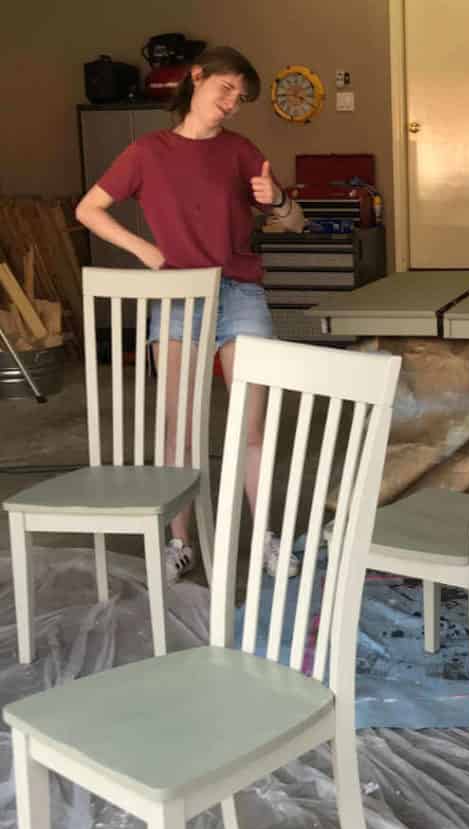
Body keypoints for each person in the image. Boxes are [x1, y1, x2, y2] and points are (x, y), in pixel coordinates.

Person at [76, 46, 305, 581]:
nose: (231, 104)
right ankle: (178, 542)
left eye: (240, 98)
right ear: (197, 77)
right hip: (178, 297)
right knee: (177, 430)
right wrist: (147, 253)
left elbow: (295, 224)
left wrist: (277, 201)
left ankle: (267, 537)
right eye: (225, 90)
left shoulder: (241, 150)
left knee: (252, 428)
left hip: (241, 294)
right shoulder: (146, 152)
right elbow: (88, 209)